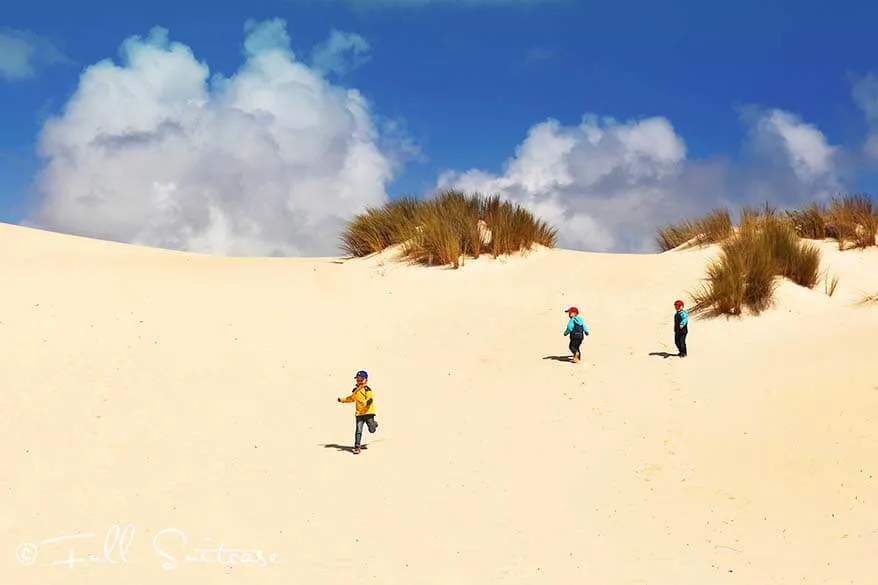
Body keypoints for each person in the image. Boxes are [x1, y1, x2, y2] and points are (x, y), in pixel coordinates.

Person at [337, 370, 378, 454]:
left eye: (361, 379)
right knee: (358, 430)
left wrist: (366, 403)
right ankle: (357, 447)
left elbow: (370, 399)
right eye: (358, 379)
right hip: (359, 414)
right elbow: (351, 398)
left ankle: (373, 424)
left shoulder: (367, 389)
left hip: (368, 413)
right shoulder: (355, 390)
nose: (359, 381)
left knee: (372, 430)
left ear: (366, 380)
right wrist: (342, 400)